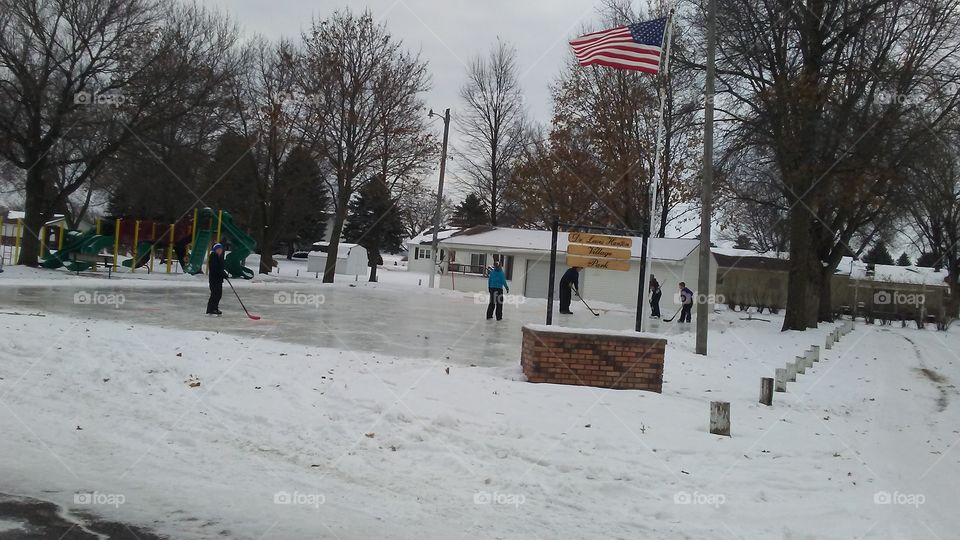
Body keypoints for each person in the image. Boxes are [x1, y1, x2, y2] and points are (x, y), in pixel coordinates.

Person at [206, 243, 227, 315]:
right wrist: (222, 274)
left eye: (221, 249)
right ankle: (210, 309)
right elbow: (215, 269)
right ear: (215, 250)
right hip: (214, 279)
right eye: (218, 249)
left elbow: (220, 268)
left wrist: (223, 273)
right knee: (215, 294)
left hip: (218, 279)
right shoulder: (213, 257)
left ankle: (215, 308)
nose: (220, 251)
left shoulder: (219, 257)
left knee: (218, 294)